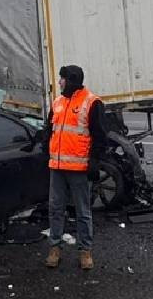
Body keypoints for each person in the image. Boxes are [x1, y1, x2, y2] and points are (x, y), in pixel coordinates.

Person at [44, 65, 107, 271]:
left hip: (79, 168)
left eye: (62, 79)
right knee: (55, 209)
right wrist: (43, 147)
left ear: (71, 80)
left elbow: (100, 136)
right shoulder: (58, 102)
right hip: (57, 167)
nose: (59, 82)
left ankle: (85, 251)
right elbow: (50, 130)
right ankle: (54, 248)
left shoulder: (91, 102)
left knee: (82, 211)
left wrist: (94, 162)